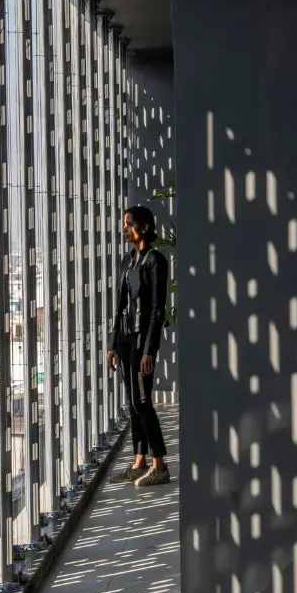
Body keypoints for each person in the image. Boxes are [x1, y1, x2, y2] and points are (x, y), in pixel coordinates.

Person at [106, 205, 171, 487]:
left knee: (142, 401)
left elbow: (158, 310)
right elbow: (120, 305)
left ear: (143, 227)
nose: (124, 229)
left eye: (128, 224)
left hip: (141, 340)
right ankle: (139, 460)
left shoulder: (156, 260)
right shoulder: (128, 260)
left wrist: (150, 350)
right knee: (132, 404)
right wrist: (112, 343)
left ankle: (160, 465)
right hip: (124, 340)